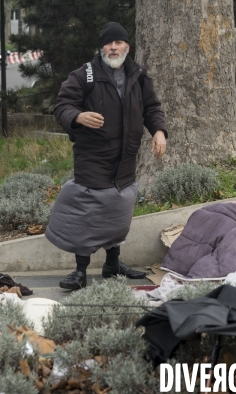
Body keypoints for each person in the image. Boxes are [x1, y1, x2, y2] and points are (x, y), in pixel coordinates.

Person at [46, 22, 168, 290]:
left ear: (127, 47)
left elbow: (152, 107)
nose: (114, 47)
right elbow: (62, 106)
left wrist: (159, 131)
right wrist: (77, 116)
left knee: (118, 213)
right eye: (108, 43)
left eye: (118, 43)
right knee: (87, 215)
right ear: (101, 48)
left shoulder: (138, 75)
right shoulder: (84, 75)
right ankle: (80, 271)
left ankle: (112, 266)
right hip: (93, 159)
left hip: (125, 160)